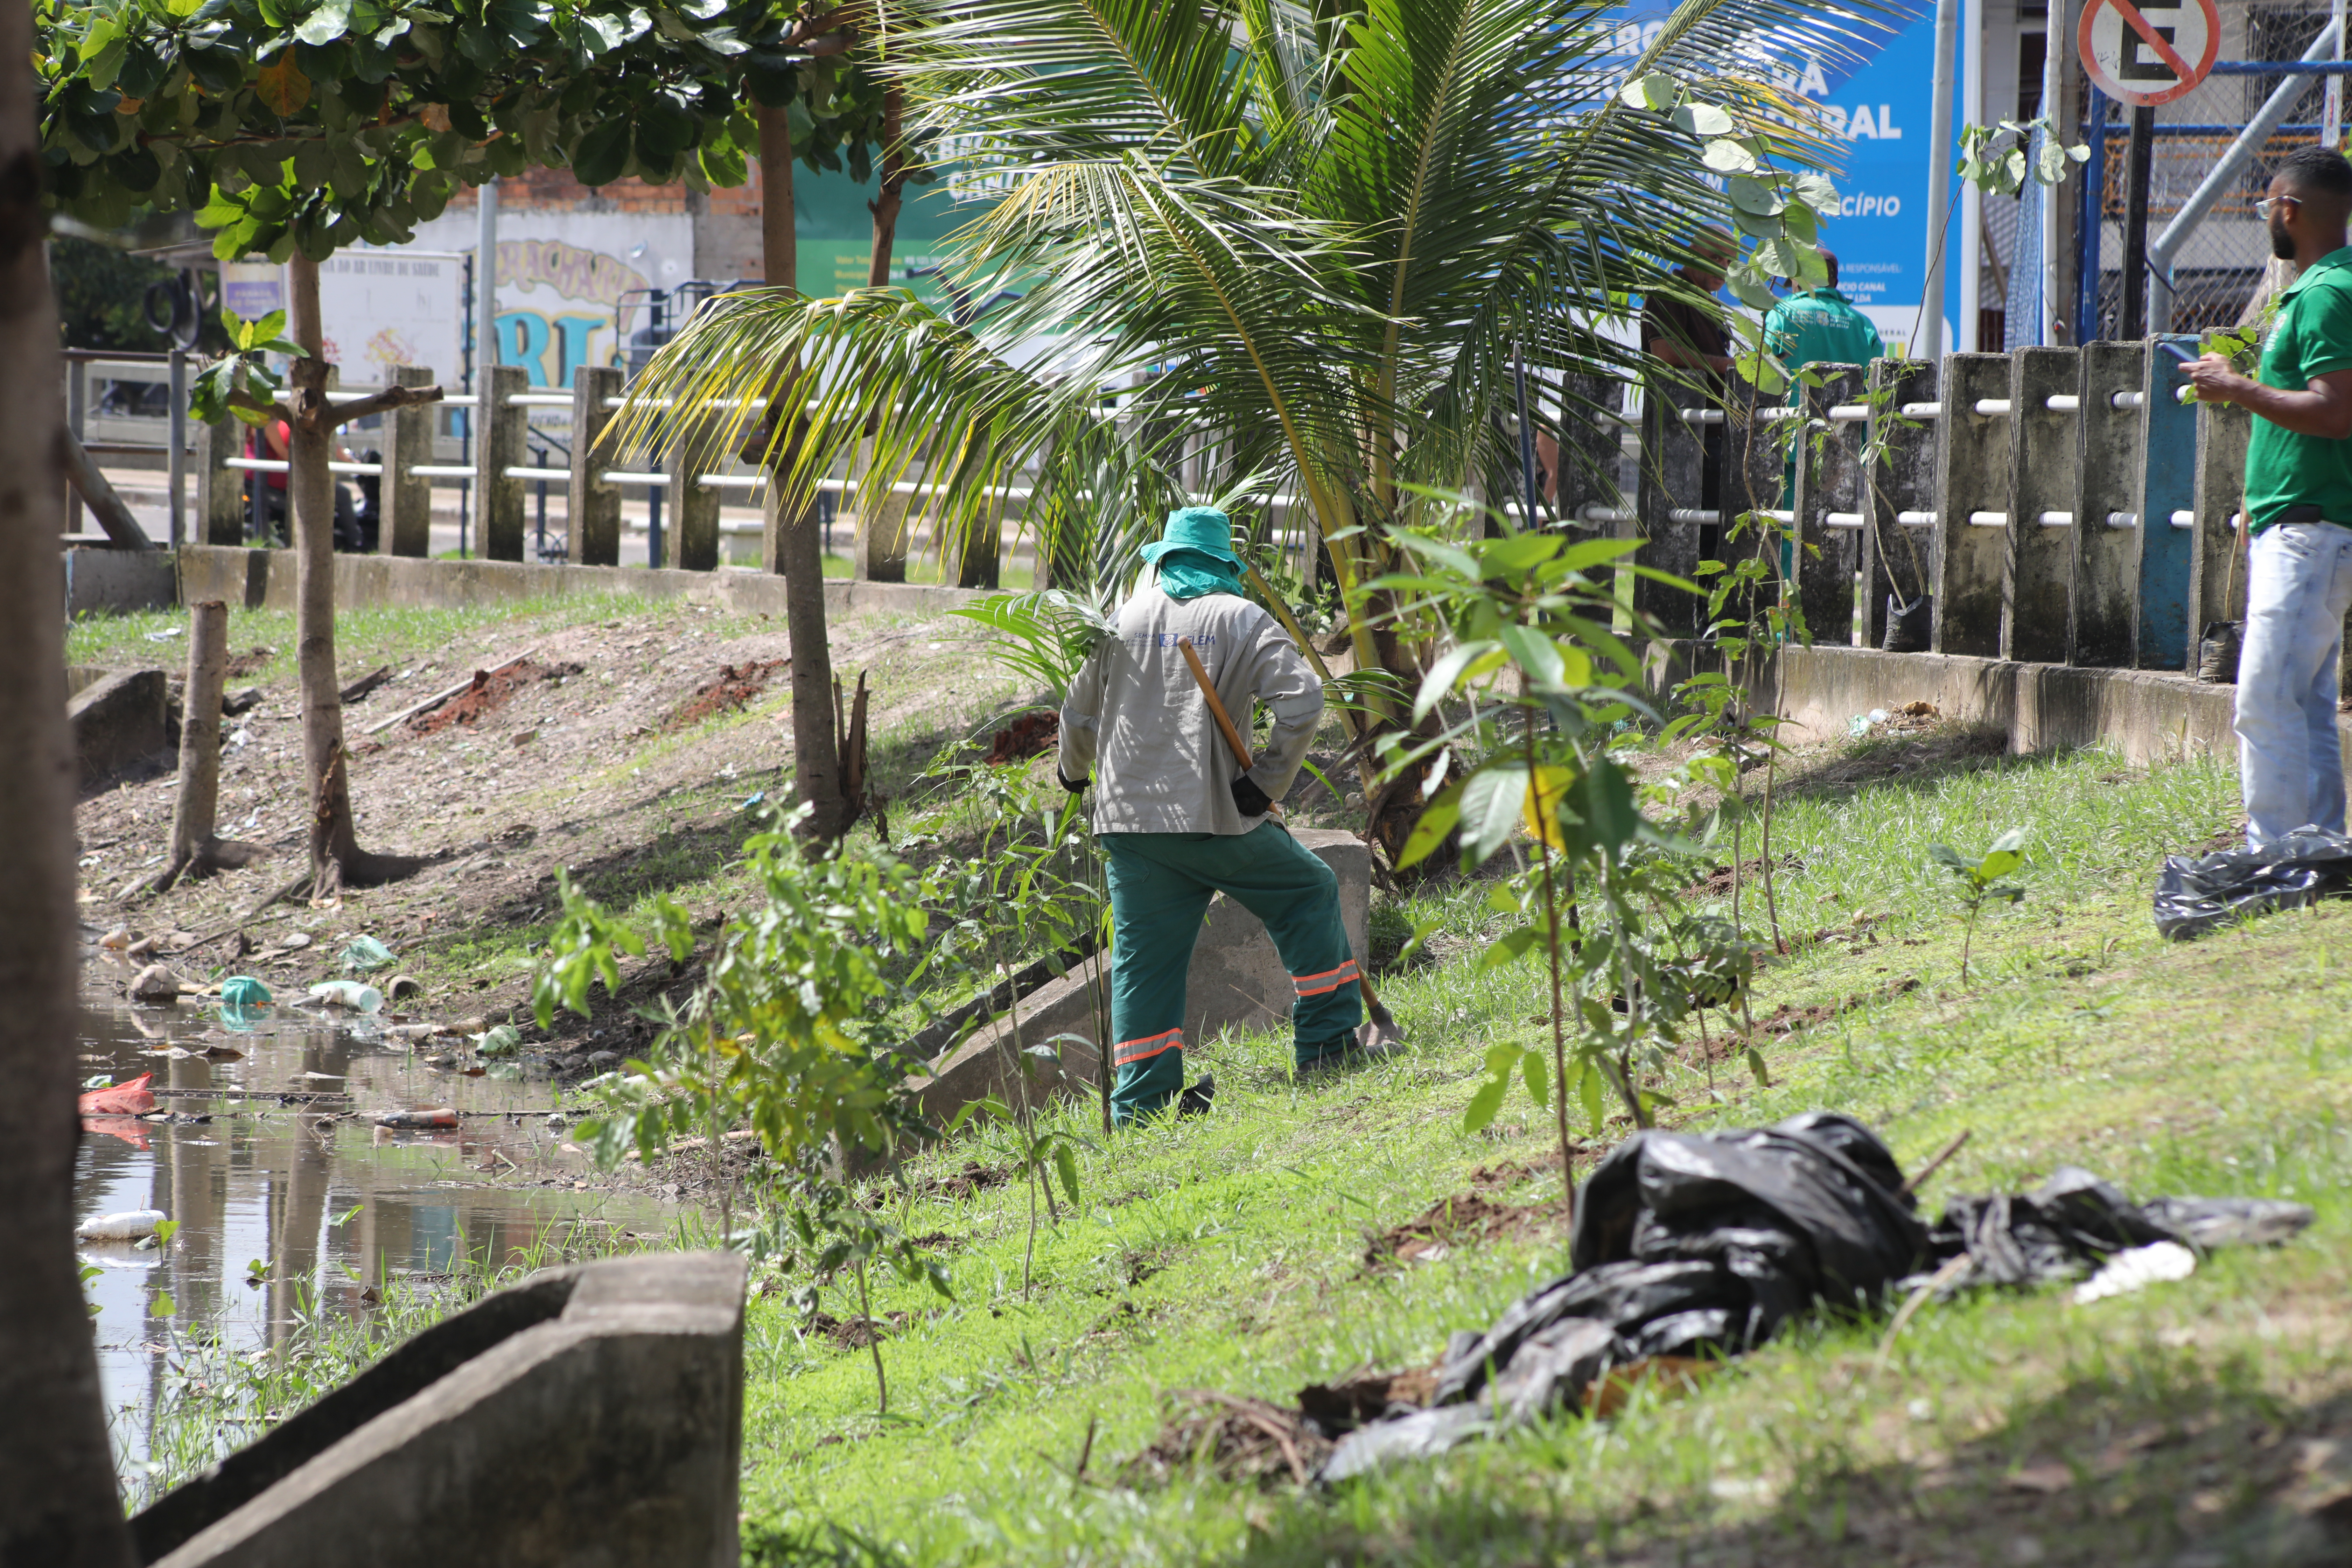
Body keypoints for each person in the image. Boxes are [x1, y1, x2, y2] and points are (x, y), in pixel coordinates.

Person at [1056, 506, 1394, 1124]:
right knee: (1308, 893)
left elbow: (1078, 716)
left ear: (1163, 560)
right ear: (1226, 564)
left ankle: (1142, 1105)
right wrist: (1264, 782)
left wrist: (1073, 775)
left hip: (1129, 828)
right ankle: (1328, 1047)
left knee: (1143, 962)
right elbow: (1305, 698)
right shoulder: (1241, 617)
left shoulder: (1122, 619)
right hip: (1213, 819)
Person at [2183, 145, 2352, 847]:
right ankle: (2317, 848)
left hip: (2310, 528)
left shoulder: (2325, 294)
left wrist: (2238, 388)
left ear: (2290, 208)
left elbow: (2336, 410)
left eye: (2265, 207)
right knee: (2304, 701)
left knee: (2262, 698)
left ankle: (2277, 852)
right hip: (2300, 523)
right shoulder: (2316, 288)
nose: (2264, 220)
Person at [1761, 249, 1885, 524]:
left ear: (1797, 279)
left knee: (1791, 527)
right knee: (1836, 527)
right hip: (1845, 444)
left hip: (1789, 443)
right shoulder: (1862, 324)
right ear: (1835, 281)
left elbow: (1763, 375)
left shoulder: (1782, 314)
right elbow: (1876, 385)